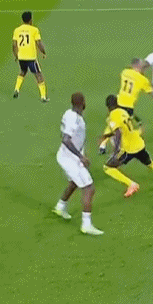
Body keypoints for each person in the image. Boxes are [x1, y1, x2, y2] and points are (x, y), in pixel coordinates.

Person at [99, 95, 153, 197]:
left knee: (108, 168)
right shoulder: (123, 112)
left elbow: (117, 132)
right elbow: (124, 127)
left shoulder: (113, 116)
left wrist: (116, 151)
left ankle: (132, 184)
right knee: (150, 163)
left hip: (128, 149)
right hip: (139, 144)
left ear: (107, 107)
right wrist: (106, 136)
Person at [52, 92, 104, 235]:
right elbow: (66, 139)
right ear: (83, 103)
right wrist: (81, 156)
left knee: (75, 182)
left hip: (67, 155)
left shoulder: (69, 113)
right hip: (70, 158)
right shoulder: (74, 118)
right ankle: (86, 225)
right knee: (89, 188)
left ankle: (60, 206)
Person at [12, 11, 48, 101]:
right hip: (31, 57)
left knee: (23, 71)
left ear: (22, 20)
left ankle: (16, 89)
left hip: (21, 56)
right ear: (30, 20)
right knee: (39, 75)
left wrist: (16, 55)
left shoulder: (17, 30)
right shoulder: (34, 30)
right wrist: (43, 52)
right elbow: (38, 43)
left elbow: (14, 44)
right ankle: (43, 97)